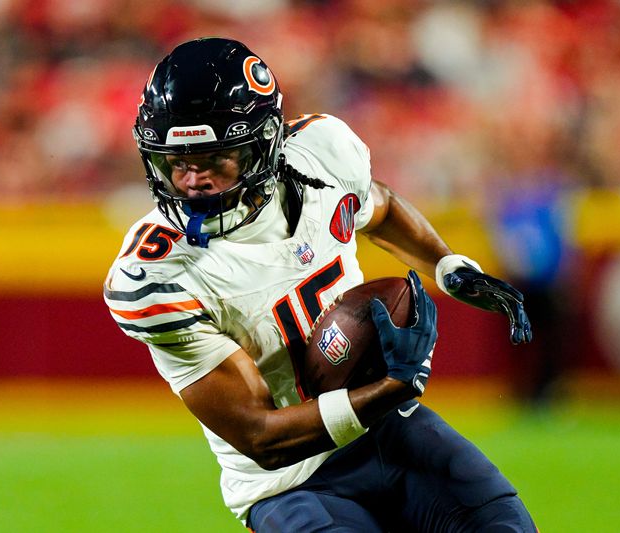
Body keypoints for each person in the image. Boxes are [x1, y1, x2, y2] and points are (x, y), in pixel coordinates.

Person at [104, 37, 535, 532]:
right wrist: (389, 387)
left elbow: (380, 206)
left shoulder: (322, 156)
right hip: (291, 482)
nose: (192, 182)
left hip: (389, 430)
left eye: (213, 159)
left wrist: (446, 264)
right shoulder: (157, 276)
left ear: (263, 144)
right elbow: (260, 436)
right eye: (175, 163)